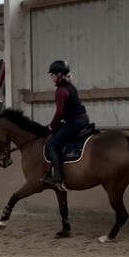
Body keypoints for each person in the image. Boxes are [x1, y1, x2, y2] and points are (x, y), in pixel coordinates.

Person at [43, 60, 90, 191]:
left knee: (52, 144)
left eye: (52, 74)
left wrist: (51, 126)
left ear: (58, 74)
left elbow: (59, 112)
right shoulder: (70, 87)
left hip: (74, 122)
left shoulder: (61, 91)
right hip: (83, 119)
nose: (50, 77)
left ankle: (57, 177)